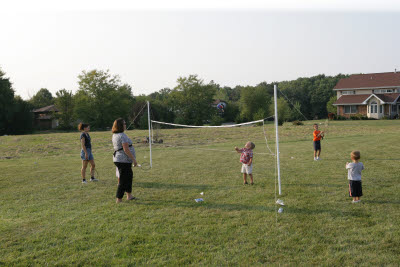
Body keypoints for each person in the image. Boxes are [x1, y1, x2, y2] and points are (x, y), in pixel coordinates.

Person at [112, 118, 138, 203]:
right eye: (124, 124)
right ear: (120, 126)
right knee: (123, 180)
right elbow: (126, 149)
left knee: (129, 177)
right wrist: (134, 159)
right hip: (123, 160)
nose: (125, 125)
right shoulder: (122, 135)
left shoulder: (116, 134)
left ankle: (129, 195)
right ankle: (119, 199)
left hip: (120, 159)